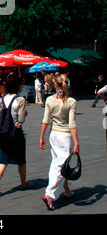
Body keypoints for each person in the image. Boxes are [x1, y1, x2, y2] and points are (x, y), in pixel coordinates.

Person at [40, 74, 80, 210]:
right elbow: (72, 124)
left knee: (56, 163)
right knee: (61, 166)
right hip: (65, 136)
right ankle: (50, 194)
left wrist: (41, 137)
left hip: (54, 134)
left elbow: (45, 120)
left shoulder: (49, 100)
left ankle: (66, 190)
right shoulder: (71, 101)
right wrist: (77, 143)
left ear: (54, 84)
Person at [0, 75, 33, 198]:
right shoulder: (20, 100)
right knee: (21, 160)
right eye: (21, 84)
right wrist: (25, 113)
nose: (22, 86)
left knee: (3, 161)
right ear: (17, 86)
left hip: (3, 133)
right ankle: (23, 183)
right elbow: (20, 119)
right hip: (15, 132)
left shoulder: (2, 99)